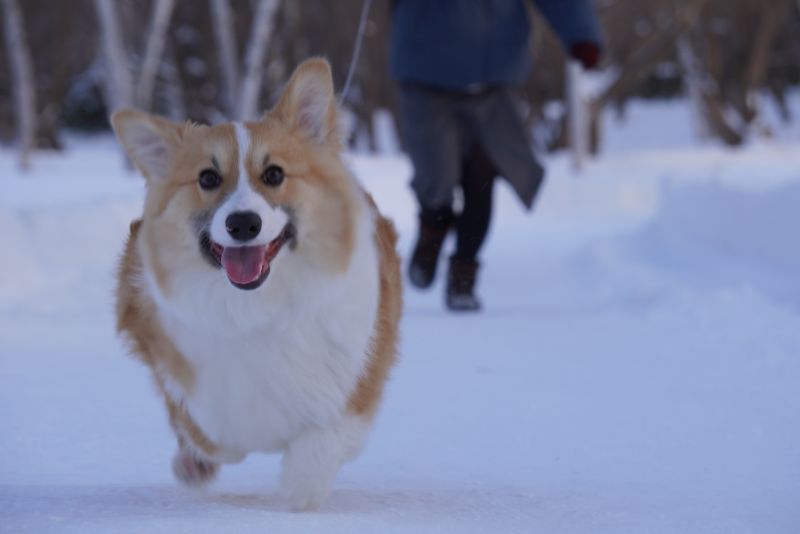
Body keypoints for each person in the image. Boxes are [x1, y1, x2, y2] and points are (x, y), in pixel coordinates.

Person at [390, 0, 603, 311]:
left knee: (483, 176)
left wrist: (581, 34)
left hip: (493, 79)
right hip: (426, 77)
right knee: (437, 177)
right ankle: (433, 226)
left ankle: (464, 275)